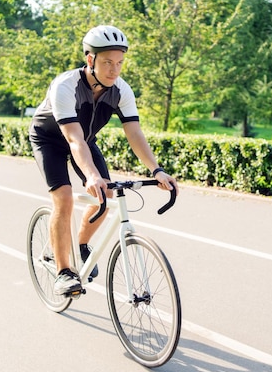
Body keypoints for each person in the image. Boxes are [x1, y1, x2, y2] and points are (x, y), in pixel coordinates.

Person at [29, 25, 178, 296]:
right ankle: (64, 273)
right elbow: (73, 139)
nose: (114, 69)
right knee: (64, 199)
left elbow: (134, 133)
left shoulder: (121, 90)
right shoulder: (66, 86)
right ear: (90, 60)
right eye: (108, 62)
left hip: (84, 141)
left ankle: (81, 245)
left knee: (106, 195)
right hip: (50, 140)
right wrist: (91, 175)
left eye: (119, 63)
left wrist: (156, 169)